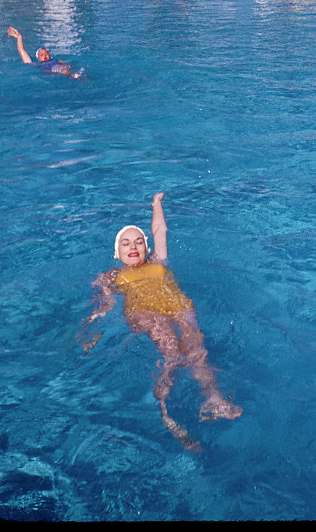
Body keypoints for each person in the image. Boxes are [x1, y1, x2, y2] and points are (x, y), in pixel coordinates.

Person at [82, 193, 242, 451]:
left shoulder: (158, 261)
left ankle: (213, 399)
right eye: (125, 243)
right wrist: (92, 327)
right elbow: (105, 304)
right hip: (145, 314)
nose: (132, 247)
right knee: (173, 355)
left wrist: (156, 204)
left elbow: (159, 230)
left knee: (198, 352)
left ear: (146, 248)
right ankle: (166, 413)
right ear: (116, 252)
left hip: (179, 307)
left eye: (138, 242)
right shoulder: (111, 276)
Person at [7, 26, 83, 78]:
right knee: (64, 71)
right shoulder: (36, 64)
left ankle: (75, 76)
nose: (45, 55)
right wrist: (19, 38)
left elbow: (69, 65)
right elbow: (22, 51)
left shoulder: (57, 60)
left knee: (67, 70)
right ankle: (73, 76)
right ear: (38, 58)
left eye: (47, 53)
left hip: (62, 69)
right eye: (41, 54)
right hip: (53, 72)